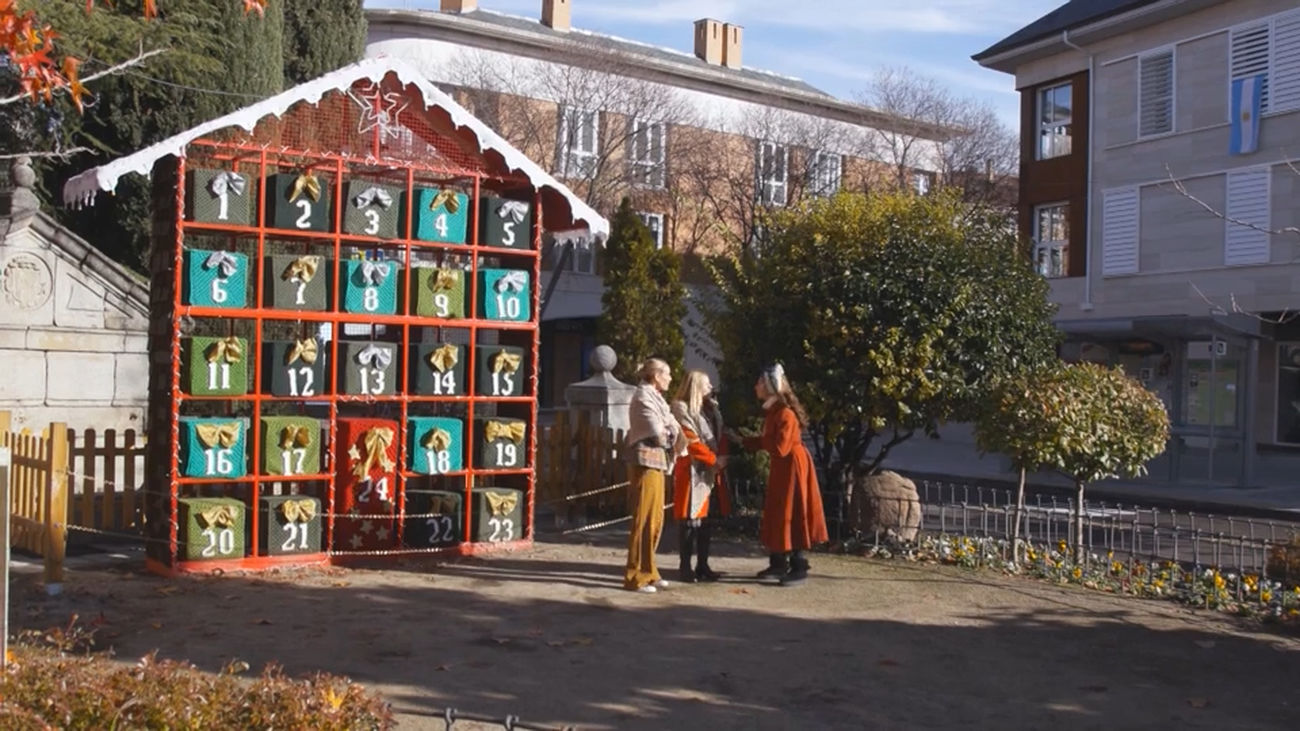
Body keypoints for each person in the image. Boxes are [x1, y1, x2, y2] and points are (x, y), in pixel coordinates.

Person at [732, 364, 828, 586]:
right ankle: (778, 562)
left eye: (759, 383)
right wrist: (745, 441)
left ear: (769, 386)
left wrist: (753, 441)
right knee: (778, 510)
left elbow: (780, 447)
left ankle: (798, 565)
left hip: (792, 467)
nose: (756, 387)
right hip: (784, 467)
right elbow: (774, 444)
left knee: (793, 511)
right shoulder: (775, 411)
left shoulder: (784, 413)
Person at [623, 358, 686, 593]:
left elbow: (674, 427)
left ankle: (650, 571)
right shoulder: (642, 397)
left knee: (656, 519)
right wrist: (671, 433)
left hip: (658, 463)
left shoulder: (657, 397)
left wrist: (671, 432)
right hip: (644, 462)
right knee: (643, 519)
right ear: (656, 375)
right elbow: (660, 434)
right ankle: (634, 576)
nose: (670, 378)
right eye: (667, 373)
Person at [670, 370, 730, 583]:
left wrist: (721, 457)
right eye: (706, 384)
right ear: (695, 386)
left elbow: (720, 434)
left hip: (709, 471)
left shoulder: (711, 409)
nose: (710, 387)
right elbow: (690, 441)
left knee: (705, 521)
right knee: (689, 519)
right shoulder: (681, 409)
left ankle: (703, 565)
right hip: (691, 470)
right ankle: (685, 567)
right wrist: (714, 460)